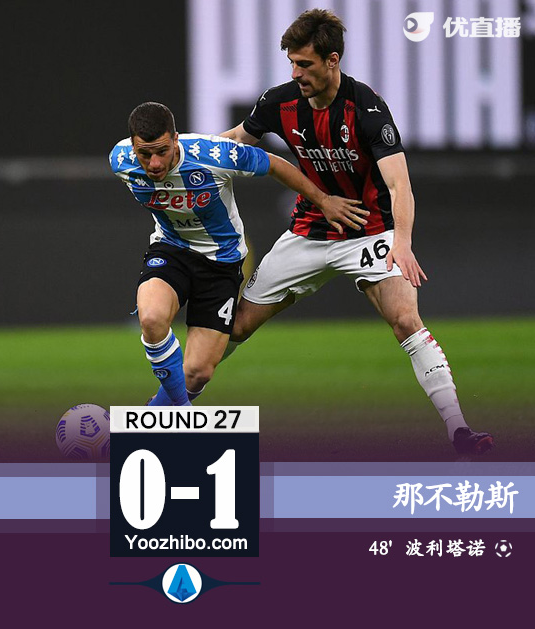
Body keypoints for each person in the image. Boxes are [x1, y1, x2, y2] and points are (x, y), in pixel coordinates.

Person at [219, 9, 492, 456]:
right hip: (308, 233)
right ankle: (168, 405)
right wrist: (185, 151)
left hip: (370, 232)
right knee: (236, 327)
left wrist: (402, 243)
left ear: (332, 60)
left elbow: (399, 185)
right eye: (291, 63)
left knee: (405, 319)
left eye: (304, 64)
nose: (295, 73)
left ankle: (459, 430)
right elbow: (234, 140)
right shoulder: (278, 102)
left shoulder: (366, 108)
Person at [110, 102, 368, 406]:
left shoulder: (213, 155)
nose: (154, 163)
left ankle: (156, 414)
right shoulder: (120, 160)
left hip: (221, 264)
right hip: (171, 249)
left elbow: (273, 164)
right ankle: (181, 417)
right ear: (133, 146)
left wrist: (323, 201)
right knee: (152, 318)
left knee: (197, 373)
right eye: (145, 154)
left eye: (162, 151)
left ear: (176, 139)